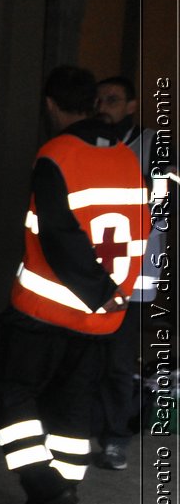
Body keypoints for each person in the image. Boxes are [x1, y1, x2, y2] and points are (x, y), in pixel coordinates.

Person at [0, 66, 146, 504]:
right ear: (95, 104)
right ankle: (66, 493)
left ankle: (44, 487)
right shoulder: (124, 157)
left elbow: (58, 234)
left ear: (51, 105)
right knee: (71, 408)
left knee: (9, 395)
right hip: (102, 318)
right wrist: (112, 297)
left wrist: (97, 291)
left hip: (47, 309)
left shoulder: (55, 155)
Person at [90, 75, 159, 470]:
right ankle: (78, 427)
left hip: (132, 276)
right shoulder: (89, 141)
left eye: (113, 99)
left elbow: (168, 203)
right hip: (87, 271)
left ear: (132, 106)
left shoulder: (153, 145)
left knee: (118, 361)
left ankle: (115, 438)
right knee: (81, 357)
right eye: (99, 99)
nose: (104, 106)